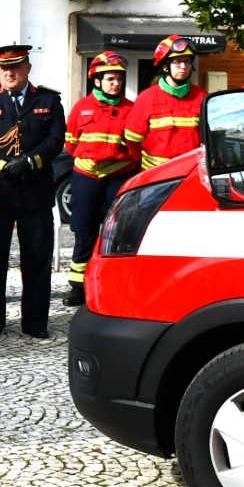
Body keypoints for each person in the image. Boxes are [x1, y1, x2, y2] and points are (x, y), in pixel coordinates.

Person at [0, 43, 65, 340]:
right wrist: (2, 164)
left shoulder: (48, 99)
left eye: (16, 68)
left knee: (36, 260)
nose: (9, 73)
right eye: (4, 69)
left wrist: (30, 161)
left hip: (34, 191)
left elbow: (56, 138)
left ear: (27, 69)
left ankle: (35, 322)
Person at [62, 51, 138, 307]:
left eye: (118, 78)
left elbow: (136, 145)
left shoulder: (131, 109)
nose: (115, 83)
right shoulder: (81, 108)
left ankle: (115, 285)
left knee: (119, 233)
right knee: (83, 231)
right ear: (97, 80)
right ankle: (77, 286)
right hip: (87, 176)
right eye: (110, 79)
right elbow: (71, 143)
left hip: (120, 174)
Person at [125, 36, 207, 172]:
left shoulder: (202, 96)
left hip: (191, 174)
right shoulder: (147, 97)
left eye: (187, 61)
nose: (183, 66)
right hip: (156, 175)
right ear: (164, 66)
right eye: (177, 62)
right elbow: (132, 139)